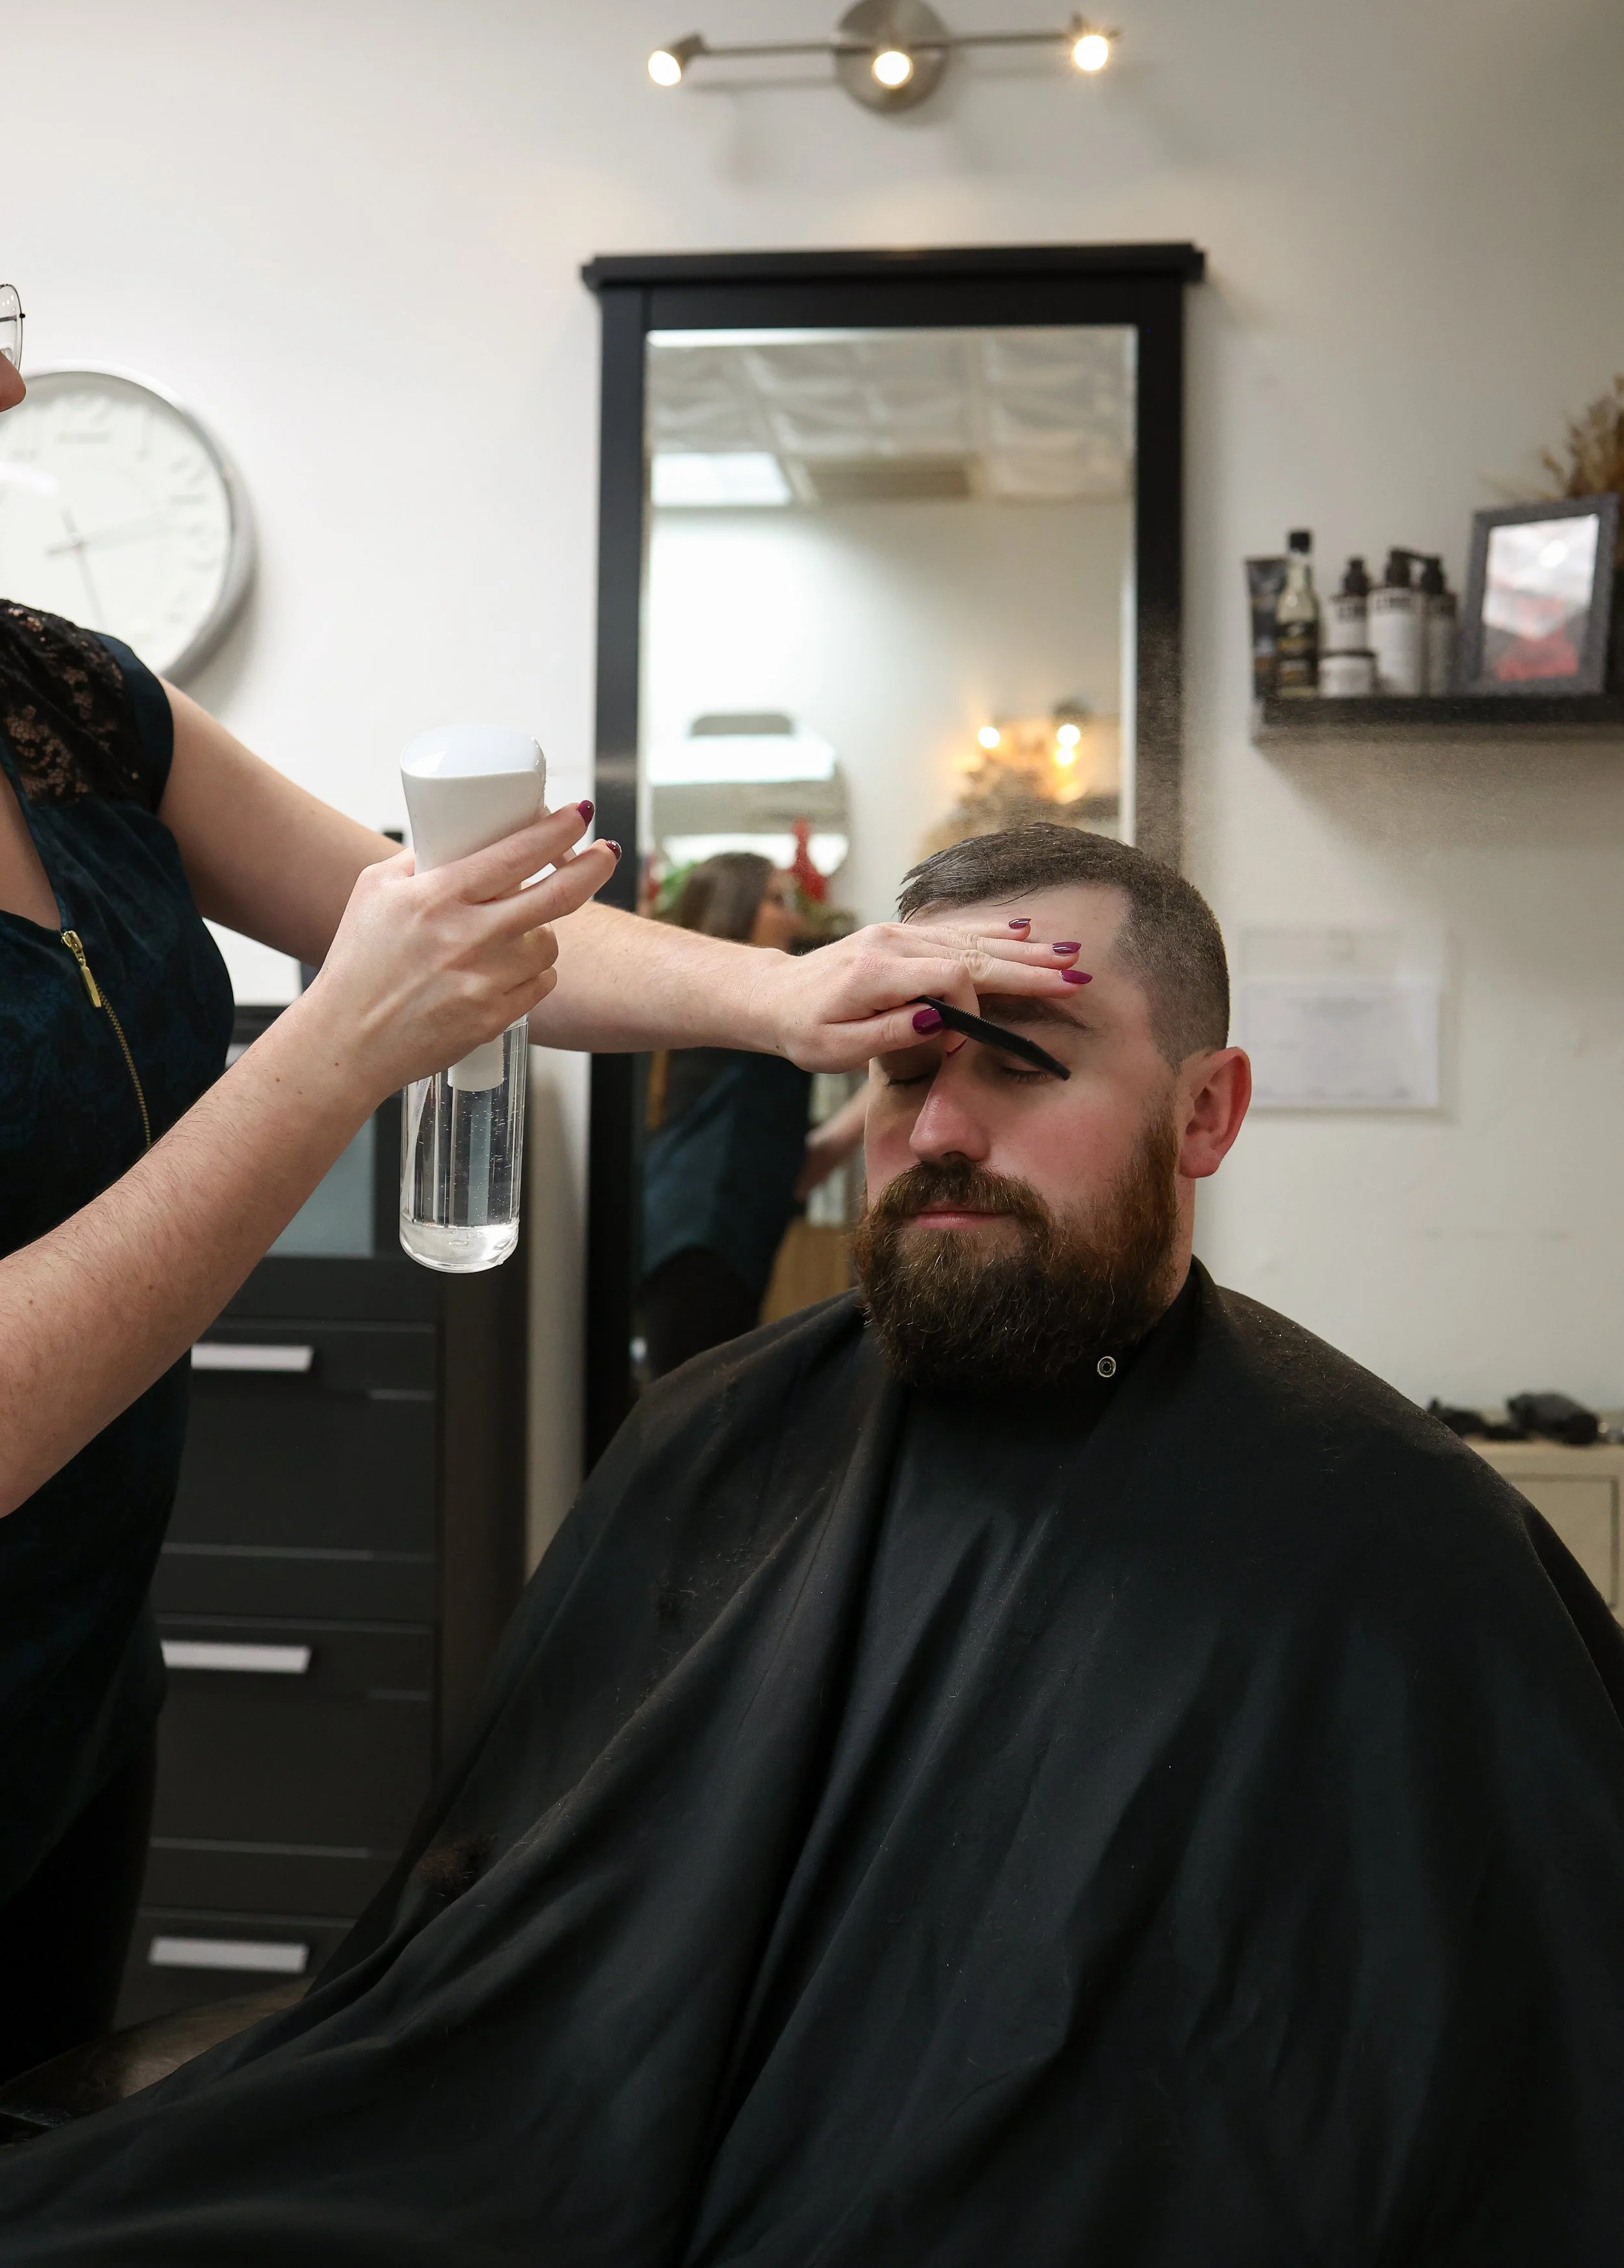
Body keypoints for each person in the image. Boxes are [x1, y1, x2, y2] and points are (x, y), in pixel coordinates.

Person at [4, 819, 1621, 2263]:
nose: (939, 1130)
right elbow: (500, 1969)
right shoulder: (718, 1438)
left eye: (1027, 1058)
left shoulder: (1391, 1530)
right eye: (911, 1067)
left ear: (1207, 1113)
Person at [0, 292, 1083, 2080]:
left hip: (74, 1690)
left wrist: (785, 994)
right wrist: (329, 1048)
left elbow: (453, 920)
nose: (15, 380)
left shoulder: (67, 700)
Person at [641, 853, 865, 1375]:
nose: (794, 918)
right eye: (776, 901)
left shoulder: (741, 1032)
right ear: (732, 909)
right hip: (697, 1252)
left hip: (715, 1246)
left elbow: (793, 1173)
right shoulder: (737, 1022)